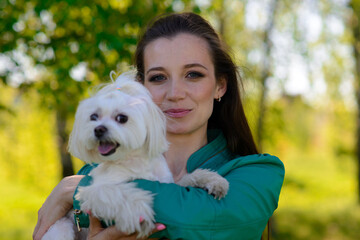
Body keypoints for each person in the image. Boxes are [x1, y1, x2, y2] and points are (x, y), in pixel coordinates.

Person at [33, 12, 285, 240]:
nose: (175, 93)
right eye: (158, 78)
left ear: (220, 85)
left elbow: (212, 219)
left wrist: (81, 190)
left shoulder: (259, 173)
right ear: (141, 89)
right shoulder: (98, 164)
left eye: (193, 74)